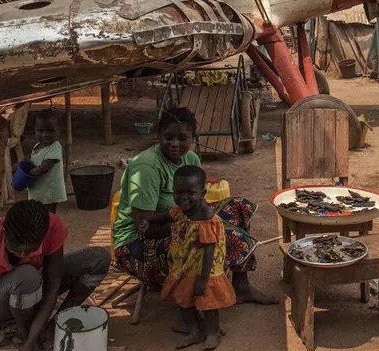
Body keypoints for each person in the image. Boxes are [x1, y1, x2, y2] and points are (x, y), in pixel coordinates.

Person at [111, 107, 276, 304]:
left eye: (182, 138)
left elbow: (200, 203)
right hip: (137, 246)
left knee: (238, 206)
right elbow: (145, 227)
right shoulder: (147, 167)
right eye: (168, 137)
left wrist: (208, 221)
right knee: (224, 235)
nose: (174, 144)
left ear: (193, 138)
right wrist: (194, 228)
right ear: (158, 135)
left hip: (178, 224)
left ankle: (241, 286)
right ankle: (199, 298)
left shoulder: (191, 158)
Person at [0, 200, 110, 351]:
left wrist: (32, 341)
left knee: (98, 259)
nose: (23, 256)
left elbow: (52, 287)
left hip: (32, 287)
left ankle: (52, 327)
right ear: (4, 232)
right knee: (27, 275)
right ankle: (27, 335)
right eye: (15, 250)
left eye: (31, 250)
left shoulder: (51, 227)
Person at [153, 164, 236, 351]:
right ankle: (194, 330)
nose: (183, 198)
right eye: (178, 192)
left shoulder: (205, 215)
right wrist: (148, 220)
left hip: (205, 267)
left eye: (190, 193)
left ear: (203, 192)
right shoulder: (181, 209)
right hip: (186, 264)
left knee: (208, 301)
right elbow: (165, 216)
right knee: (183, 299)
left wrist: (203, 279)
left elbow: (208, 250)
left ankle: (213, 332)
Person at [26, 108, 67, 213]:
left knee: (48, 217)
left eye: (50, 131)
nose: (45, 135)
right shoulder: (38, 146)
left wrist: (27, 175)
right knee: (38, 216)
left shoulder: (55, 147)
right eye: (40, 131)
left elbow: (44, 167)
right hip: (40, 190)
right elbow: (36, 160)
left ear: (58, 131)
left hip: (49, 192)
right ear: (34, 130)